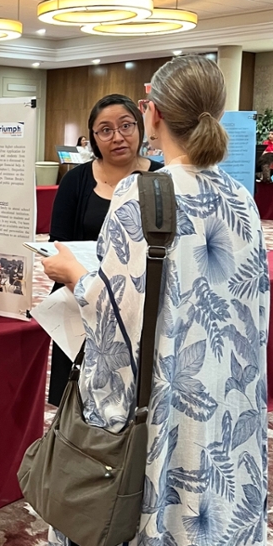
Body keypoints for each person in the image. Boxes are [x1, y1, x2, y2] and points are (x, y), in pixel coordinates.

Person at [36, 55, 269, 546]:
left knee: (96, 545)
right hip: (212, 419)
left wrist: (73, 273)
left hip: (143, 417)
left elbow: (115, 321)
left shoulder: (143, 199)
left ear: (154, 115)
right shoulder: (239, 198)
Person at [47, 95, 162, 405]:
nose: (118, 137)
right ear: (93, 138)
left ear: (140, 127)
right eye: (105, 130)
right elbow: (57, 243)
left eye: (126, 126)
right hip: (79, 300)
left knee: (131, 401)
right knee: (74, 400)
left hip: (139, 304)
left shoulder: (162, 179)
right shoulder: (75, 181)